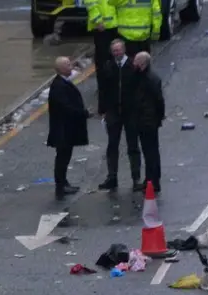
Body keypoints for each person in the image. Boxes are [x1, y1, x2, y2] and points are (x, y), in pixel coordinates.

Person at [97, 39, 140, 192]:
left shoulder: (133, 66)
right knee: (112, 145)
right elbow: (103, 89)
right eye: (114, 51)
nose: (117, 53)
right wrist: (102, 109)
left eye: (119, 50)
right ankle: (112, 177)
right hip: (113, 112)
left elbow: (139, 88)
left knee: (133, 146)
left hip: (130, 112)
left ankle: (136, 178)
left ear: (124, 50)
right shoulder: (108, 66)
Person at [46, 57, 92, 199]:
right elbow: (66, 107)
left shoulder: (63, 82)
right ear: (60, 69)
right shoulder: (59, 86)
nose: (70, 66)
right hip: (63, 130)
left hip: (65, 129)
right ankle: (61, 185)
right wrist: (83, 113)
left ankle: (63, 182)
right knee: (62, 157)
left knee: (64, 156)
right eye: (67, 65)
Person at [127, 51, 166, 193]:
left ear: (142, 64)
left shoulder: (150, 79)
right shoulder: (140, 76)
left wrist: (158, 117)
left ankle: (153, 181)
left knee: (150, 152)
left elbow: (158, 100)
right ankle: (150, 179)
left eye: (136, 61)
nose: (133, 63)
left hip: (147, 120)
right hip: (144, 119)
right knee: (149, 151)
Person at [87, 0, 118, 68]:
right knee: (102, 56)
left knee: (114, 55)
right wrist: (98, 21)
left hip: (114, 24)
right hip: (101, 26)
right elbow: (91, 4)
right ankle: (103, 74)